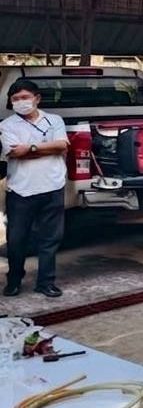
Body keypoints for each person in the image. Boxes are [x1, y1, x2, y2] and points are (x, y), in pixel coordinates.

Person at [2, 80, 69, 298]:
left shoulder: (54, 120)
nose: (20, 102)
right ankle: (14, 280)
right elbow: (15, 153)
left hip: (53, 187)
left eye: (25, 97)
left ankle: (46, 282)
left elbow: (62, 146)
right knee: (16, 240)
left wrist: (30, 148)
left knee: (50, 239)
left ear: (37, 98)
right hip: (21, 191)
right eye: (15, 99)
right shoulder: (7, 125)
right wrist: (48, 148)